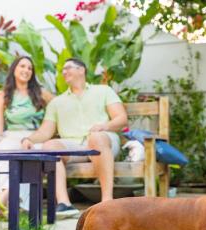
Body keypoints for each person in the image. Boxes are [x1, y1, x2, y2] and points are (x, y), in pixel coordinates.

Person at [21, 58, 128, 218]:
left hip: (103, 142)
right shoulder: (57, 102)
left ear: (81, 70)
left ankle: (107, 202)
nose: (64, 72)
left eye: (68, 68)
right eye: (62, 70)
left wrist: (103, 126)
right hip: (74, 148)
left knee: (96, 138)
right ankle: (64, 204)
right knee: (49, 147)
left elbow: (121, 118)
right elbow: (45, 131)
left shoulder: (103, 91)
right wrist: (29, 139)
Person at [0, 56, 53, 217]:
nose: (26, 70)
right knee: (4, 152)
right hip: (11, 136)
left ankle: (3, 197)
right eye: (22, 66)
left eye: (30, 68)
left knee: (29, 157)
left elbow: (59, 108)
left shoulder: (41, 93)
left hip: (35, 137)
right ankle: (5, 199)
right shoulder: (3, 95)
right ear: (14, 69)